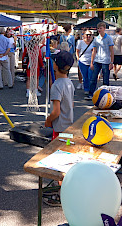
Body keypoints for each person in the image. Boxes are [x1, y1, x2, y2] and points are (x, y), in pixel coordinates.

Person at [43, 50, 74, 207]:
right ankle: (64, 191)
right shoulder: (69, 83)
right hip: (69, 128)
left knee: (59, 163)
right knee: (65, 160)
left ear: (55, 65)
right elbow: (70, 105)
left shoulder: (57, 85)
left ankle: (63, 195)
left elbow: (55, 111)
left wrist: (48, 121)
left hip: (59, 129)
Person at [84, 22, 114, 101]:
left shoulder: (109, 38)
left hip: (106, 60)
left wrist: (111, 62)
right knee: (93, 78)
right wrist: (91, 62)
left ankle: (106, 95)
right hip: (97, 60)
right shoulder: (96, 39)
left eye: (101, 28)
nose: (99, 30)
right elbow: (94, 51)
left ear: (104, 29)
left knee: (105, 79)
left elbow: (111, 51)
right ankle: (91, 94)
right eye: (98, 28)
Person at [76, 30, 93, 95]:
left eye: (90, 35)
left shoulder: (94, 43)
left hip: (91, 61)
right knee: (85, 76)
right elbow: (77, 51)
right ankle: (86, 89)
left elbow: (96, 52)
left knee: (90, 76)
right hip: (83, 61)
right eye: (87, 35)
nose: (88, 36)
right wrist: (78, 58)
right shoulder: (80, 42)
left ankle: (91, 89)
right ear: (84, 36)